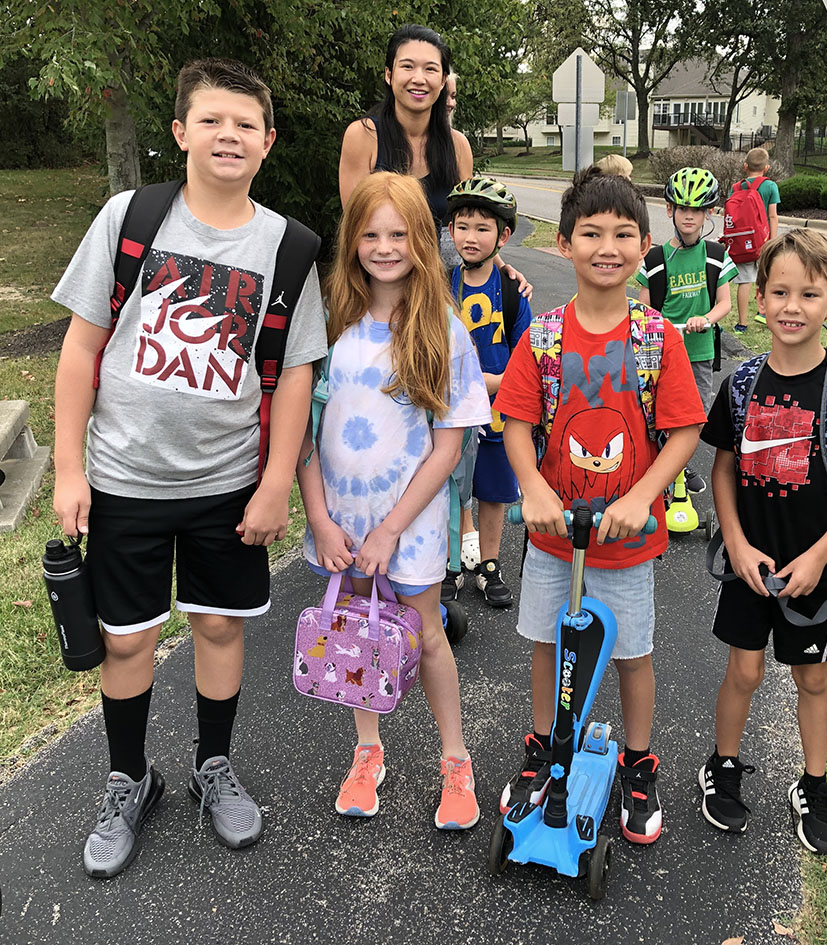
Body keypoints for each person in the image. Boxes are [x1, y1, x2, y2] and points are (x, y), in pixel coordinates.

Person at [51, 58, 328, 878]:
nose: (228, 135)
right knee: (128, 641)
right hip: (125, 481)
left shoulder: (290, 247)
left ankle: (214, 766)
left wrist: (278, 479)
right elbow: (80, 349)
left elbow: (298, 371)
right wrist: (70, 471)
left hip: (227, 486)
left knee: (217, 626)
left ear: (269, 142)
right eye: (211, 120)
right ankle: (128, 778)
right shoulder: (128, 219)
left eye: (245, 124)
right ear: (180, 133)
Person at [494, 168, 706, 844]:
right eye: (591, 233)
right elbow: (518, 422)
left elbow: (683, 430)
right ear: (563, 244)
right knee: (546, 644)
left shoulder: (657, 339)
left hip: (628, 537)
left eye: (622, 234)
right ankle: (542, 749)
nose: (606, 246)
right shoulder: (545, 338)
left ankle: (638, 763)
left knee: (631, 652)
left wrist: (644, 495)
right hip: (555, 536)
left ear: (644, 245)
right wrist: (532, 487)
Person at [297, 171, 491, 830]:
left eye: (399, 233)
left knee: (426, 635)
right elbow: (304, 430)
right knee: (357, 635)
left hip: (408, 527)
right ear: (352, 241)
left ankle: (455, 760)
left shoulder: (442, 328)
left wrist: (390, 530)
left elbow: (446, 449)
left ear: (421, 240)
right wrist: (319, 517)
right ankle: (367, 750)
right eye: (371, 233)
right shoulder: (330, 325)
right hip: (341, 525)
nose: (384, 246)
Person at [698, 229, 827, 854]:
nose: (791, 306)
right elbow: (723, 465)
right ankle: (722, 764)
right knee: (743, 670)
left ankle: (815, 782)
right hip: (748, 564)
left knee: (812, 676)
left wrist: (821, 555)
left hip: (814, 569)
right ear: (762, 294)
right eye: (779, 291)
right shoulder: (744, 381)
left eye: (810, 293)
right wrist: (737, 542)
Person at [337, 24, 530, 294]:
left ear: (442, 81)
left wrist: (500, 267)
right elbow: (355, 227)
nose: (419, 78)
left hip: (444, 291)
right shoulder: (363, 136)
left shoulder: (457, 146)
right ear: (389, 75)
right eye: (407, 67)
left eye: (430, 69)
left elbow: (472, 220)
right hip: (378, 289)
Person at [444, 176, 533, 607]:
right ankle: (456, 557)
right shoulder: (440, 285)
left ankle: (490, 562)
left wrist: (489, 385)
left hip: (498, 411)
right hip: (452, 412)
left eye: (483, 228)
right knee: (452, 479)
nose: (471, 237)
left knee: (493, 490)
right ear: (450, 231)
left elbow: (527, 358)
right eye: (463, 226)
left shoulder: (514, 292)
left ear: (504, 235)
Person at [635, 166, 737, 494]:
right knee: (656, 412)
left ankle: (678, 466)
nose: (689, 216)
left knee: (693, 418)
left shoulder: (716, 256)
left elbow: (725, 304)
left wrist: (706, 319)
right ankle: (668, 471)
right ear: (670, 211)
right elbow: (646, 308)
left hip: (699, 352)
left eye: (697, 210)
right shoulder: (654, 259)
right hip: (663, 351)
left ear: (707, 214)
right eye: (683, 209)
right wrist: (658, 326)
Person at [731, 147, 781, 333]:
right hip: (764, 240)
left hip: (742, 242)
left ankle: (741, 324)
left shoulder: (736, 187)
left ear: (745, 166)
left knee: (744, 281)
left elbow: (733, 217)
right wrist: (772, 241)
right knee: (766, 278)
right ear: (766, 168)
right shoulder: (770, 186)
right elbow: (773, 216)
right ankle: (763, 312)